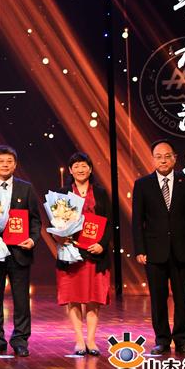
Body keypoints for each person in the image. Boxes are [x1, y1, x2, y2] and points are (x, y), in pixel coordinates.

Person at [132, 139, 185, 357]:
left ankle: (182, 341)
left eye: (167, 156)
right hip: (154, 251)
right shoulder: (142, 184)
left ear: (174, 158)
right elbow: (137, 221)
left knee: (182, 298)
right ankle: (162, 340)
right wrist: (140, 249)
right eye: (158, 157)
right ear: (153, 159)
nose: (163, 160)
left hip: (182, 249)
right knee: (158, 298)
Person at [0, 145, 40, 358]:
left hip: (20, 252)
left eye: (9, 161)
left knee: (21, 299)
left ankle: (20, 340)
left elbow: (35, 219)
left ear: (15, 164)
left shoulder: (26, 188)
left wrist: (32, 239)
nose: (5, 165)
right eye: (1, 161)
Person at [53, 152, 112, 356]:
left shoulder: (101, 193)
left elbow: (110, 223)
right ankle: (79, 340)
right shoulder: (62, 193)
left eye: (84, 165)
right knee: (74, 297)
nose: (80, 169)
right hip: (71, 253)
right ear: (70, 170)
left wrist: (102, 245)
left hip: (95, 253)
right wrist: (61, 237)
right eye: (76, 166)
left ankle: (91, 341)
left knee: (94, 298)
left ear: (90, 168)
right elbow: (56, 223)